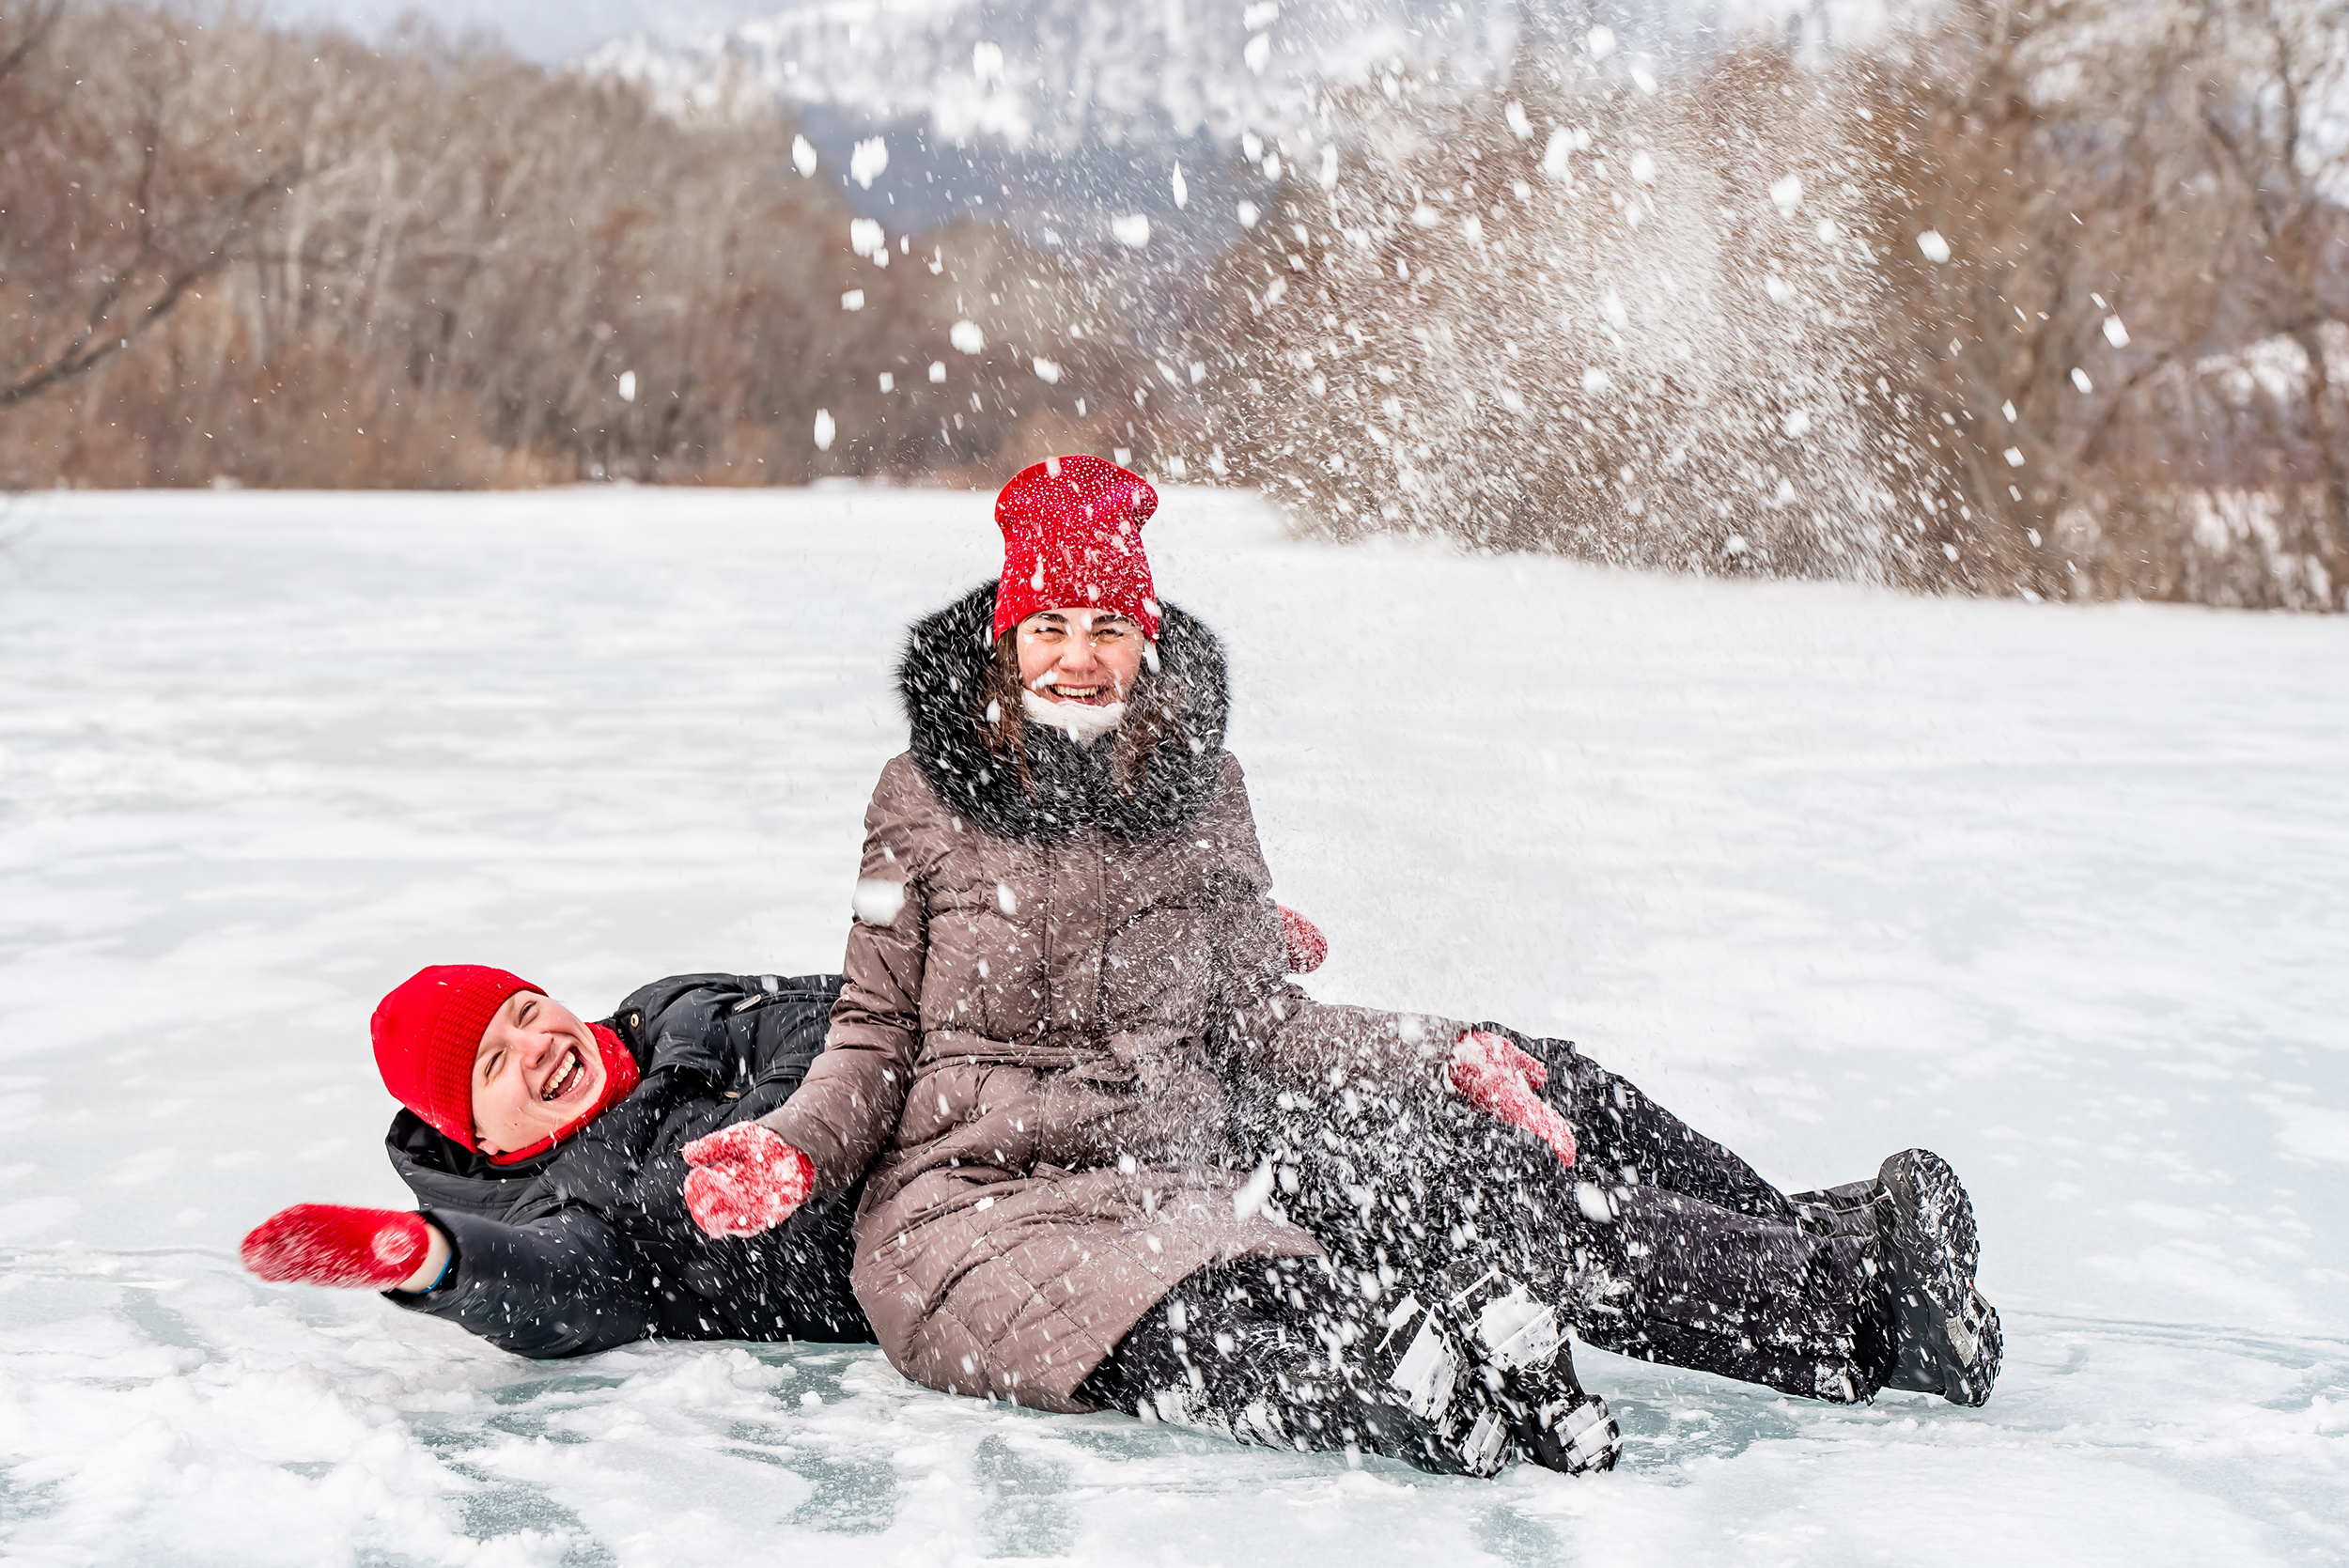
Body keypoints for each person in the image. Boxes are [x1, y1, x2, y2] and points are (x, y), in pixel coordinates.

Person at [671, 455, 1998, 1481]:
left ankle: (1825, 1266)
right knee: (1280, 1280)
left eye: (1106, 624)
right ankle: (1515, 1373)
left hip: (1172, 1162)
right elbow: (872, 1031)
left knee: (1520, 1104)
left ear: (1146, 637)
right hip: (978, 1201)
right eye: (1050, 625)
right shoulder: (916, 800)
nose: (1078, 656)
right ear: (1007, 644)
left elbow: (1256, 1016)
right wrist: (790, 1147)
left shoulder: (1204, 793)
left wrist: (1441, 1048)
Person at [241, 967, 871, 1357]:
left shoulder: (672, 1009)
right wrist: (431, 1258)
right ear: (481, 1138)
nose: (537, 1045)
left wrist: (805, 1123)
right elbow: (554, 1289)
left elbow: (861, 1011)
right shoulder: (578, 1209)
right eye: (494, 1064)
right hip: (911, 1244)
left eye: (525, 1011)